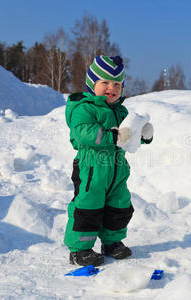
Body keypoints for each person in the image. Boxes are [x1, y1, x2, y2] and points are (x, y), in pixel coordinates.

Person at [63, 55, 153, 266]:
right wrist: (113, 136)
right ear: (92, 84)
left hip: (117, 168)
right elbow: (83, 133)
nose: (111, 88)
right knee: (87, 206)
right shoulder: (83, 108)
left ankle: (112, 243)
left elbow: (128, 136)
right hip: (91, 167)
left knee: (119, 206)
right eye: (104, 82)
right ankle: (80, 249)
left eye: (117, 84)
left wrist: (143, 134)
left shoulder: (121, 111)